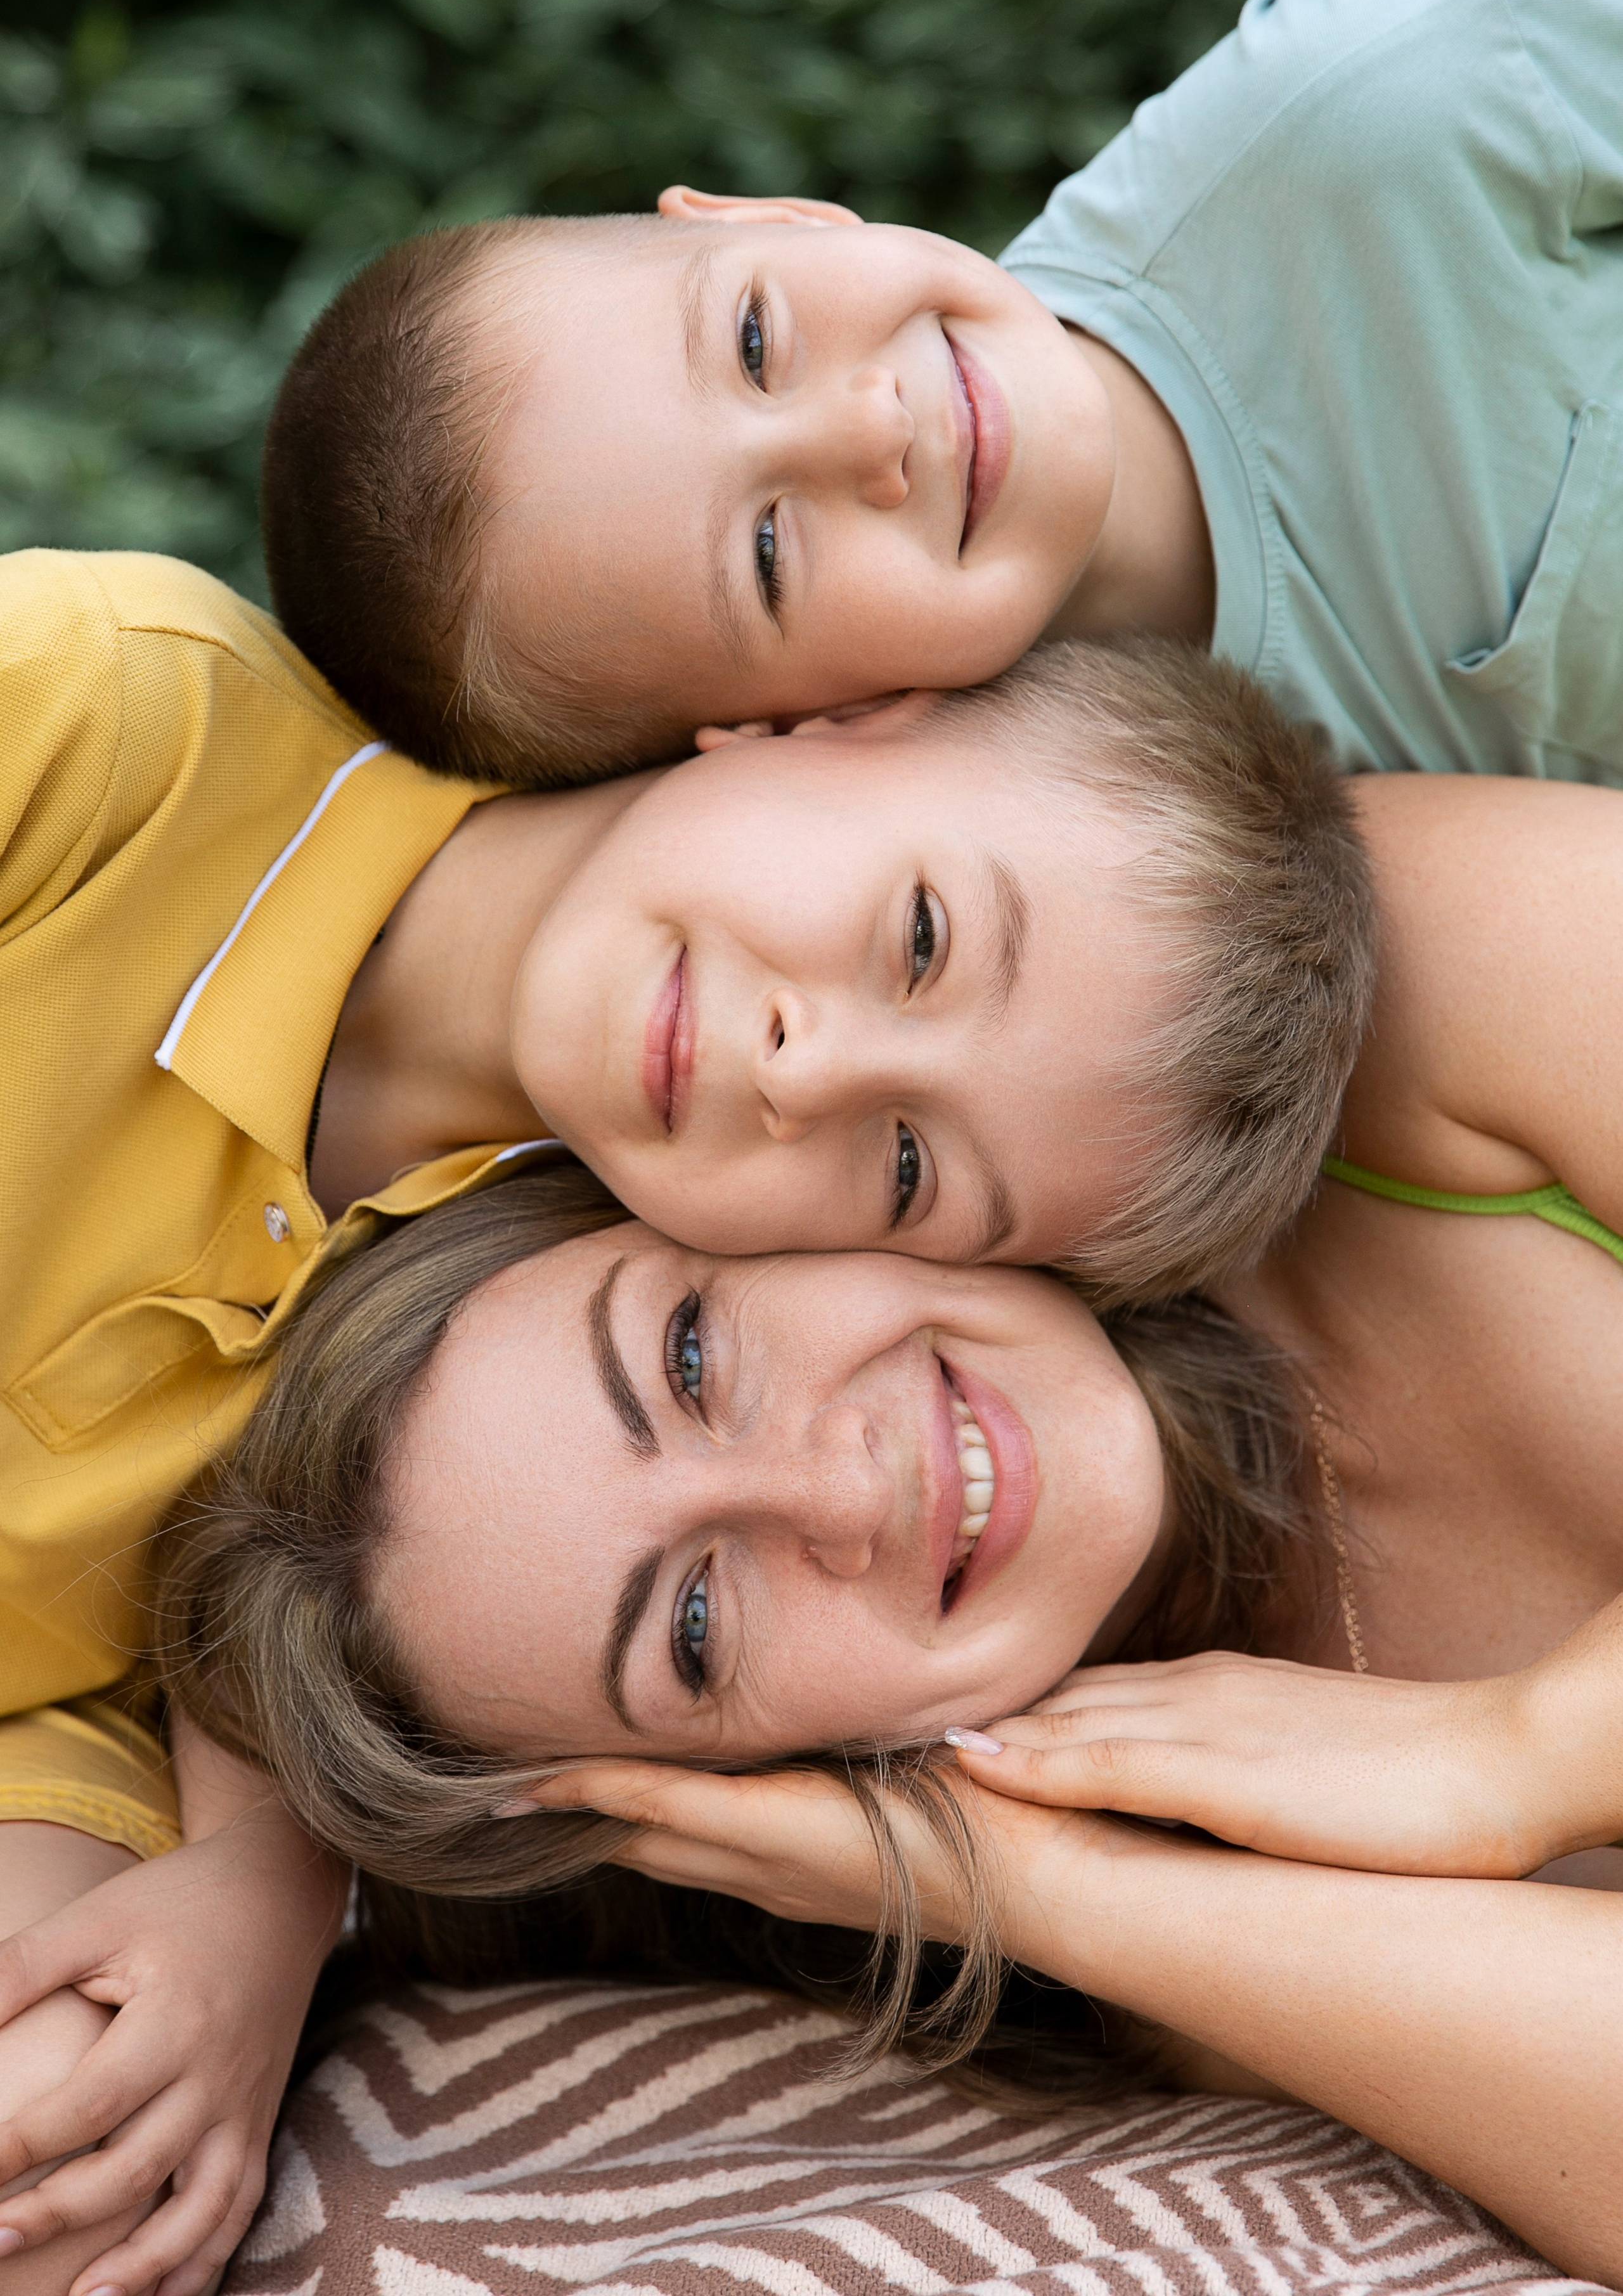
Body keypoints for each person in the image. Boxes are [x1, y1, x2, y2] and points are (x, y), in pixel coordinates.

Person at [0, 546, 1366, 2296]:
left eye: (701, 1628)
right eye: (698, 1357)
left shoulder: (460, 1388)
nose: (835, 1487)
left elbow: (306, 1593)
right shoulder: (127, 733)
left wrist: (257, 1885)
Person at [146, 768, 1623, 2279]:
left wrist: (1523, 1758)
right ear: (764, 1790)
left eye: (692, 1358)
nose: (843, 1491)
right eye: (700, 1629)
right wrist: (1051, 1894)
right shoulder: (1183, 1915)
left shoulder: (1329, 1002)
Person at [260, 0, 1623, 790]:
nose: (863, 427)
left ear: (780, 219)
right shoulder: (1143, 894)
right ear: (793, 735)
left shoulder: (1388, 112)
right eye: (768, 551)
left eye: (750, 340)